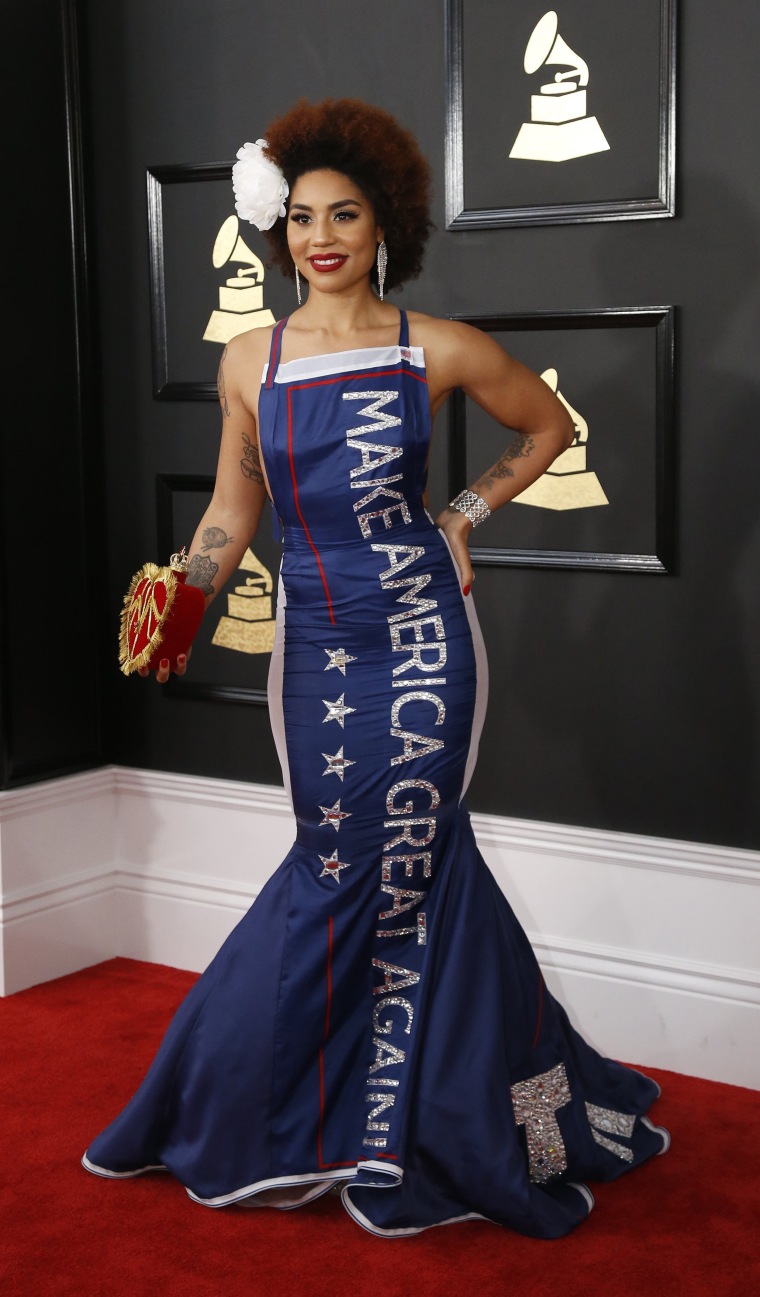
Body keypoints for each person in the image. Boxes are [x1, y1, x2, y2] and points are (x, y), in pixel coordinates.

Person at [83, 98, 668, 1238]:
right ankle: (385, 1104)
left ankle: (415, 1112)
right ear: (279, 232)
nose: (321, 236)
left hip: (422, 638)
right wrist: (185, 594)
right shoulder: (251, 357)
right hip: (311, 645)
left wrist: (461, 511)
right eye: (300, 217)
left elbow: (546, 426)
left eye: (343, 213)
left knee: (404, 853)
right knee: (346, 858)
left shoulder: (435, 345)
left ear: (383, 219)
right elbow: (235, 502)